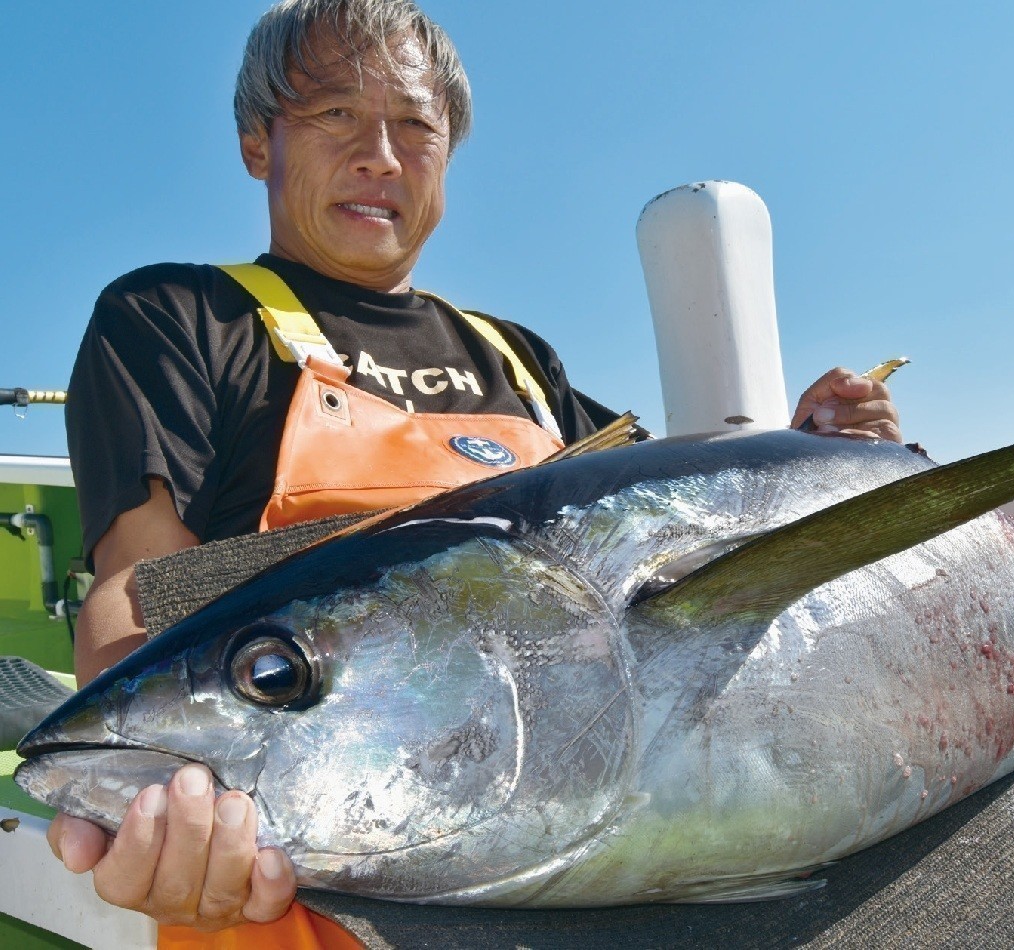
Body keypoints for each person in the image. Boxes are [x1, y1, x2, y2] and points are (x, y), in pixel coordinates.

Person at [47, 0, 901, 940]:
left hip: (589, 835)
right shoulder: (180, 316)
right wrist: (168, 801)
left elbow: (659, 543)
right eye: (335, 114)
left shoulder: (519, 356)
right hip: (304, 877)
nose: (380, 154)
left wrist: (813, 452)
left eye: (416, 124)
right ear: (259, 143)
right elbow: (142, 592)